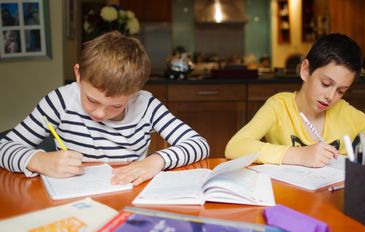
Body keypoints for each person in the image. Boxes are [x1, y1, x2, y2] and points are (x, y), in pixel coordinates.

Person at [0, 31, 209, 186]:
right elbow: (4, 147)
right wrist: (37, 160)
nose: (99, 114)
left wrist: (157, 160)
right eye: (91, 99)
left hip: (129, 196)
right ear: (79, 75)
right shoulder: (60, 101)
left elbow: (199, 145)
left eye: (116, 106)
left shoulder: (145, 105)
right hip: (72, 199)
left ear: (135, 92)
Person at [225, 33, 365, 167]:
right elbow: (235, 146)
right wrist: (298, 155)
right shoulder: (279, 107)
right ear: (305, 70)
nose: (331, 97)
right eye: (326, 83)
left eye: (341, 91)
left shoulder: (345, 113)